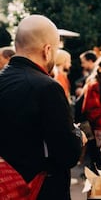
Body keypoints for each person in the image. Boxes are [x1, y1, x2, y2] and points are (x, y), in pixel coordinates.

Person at [0, 14, 85, 199]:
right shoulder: (47, 87)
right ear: (47, 50)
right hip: (42, 189)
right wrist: (79, 135)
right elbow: (68, 154)